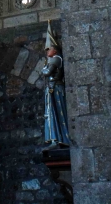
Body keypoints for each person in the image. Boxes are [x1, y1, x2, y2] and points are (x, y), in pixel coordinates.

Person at [42, 22, 71, 150]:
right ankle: (55, 139)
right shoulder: (53, 59)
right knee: (50, 113)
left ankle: (59, 139)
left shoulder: (55, 59)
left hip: (56, 89)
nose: (47, 51)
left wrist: (44, 68)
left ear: (54, 49)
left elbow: (47, 72)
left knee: (55, 113)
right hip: (51, 89)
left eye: (49, 48)